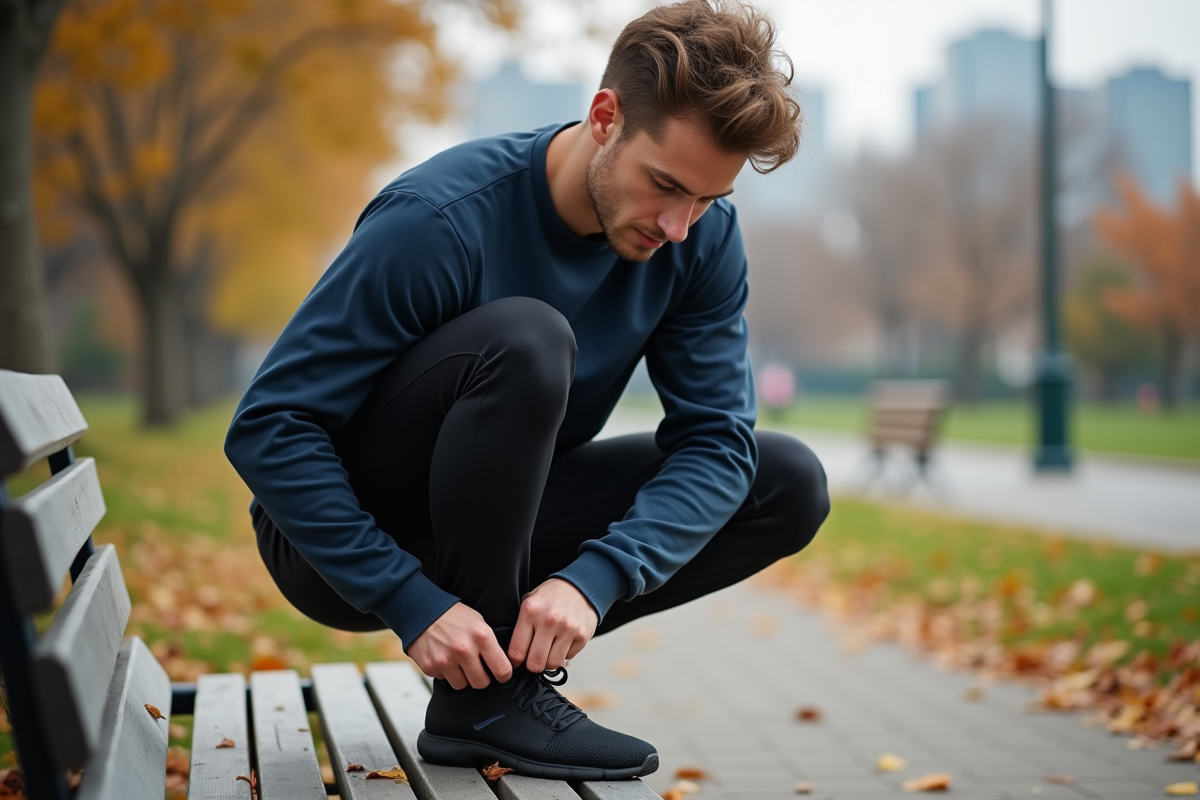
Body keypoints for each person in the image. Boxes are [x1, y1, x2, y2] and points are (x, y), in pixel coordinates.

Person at [224, 0, 829, 781]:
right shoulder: (438, 221)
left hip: (498, 524)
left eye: (708, 200)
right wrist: (408, 599)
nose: (679, 226)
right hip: (340, 542)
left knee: (784, 481)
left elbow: (716, 442)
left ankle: (492, 679)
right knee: (531, 338)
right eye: (666, 185)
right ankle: (484, 702)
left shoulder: (699, 241)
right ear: (605, 116)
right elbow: (271, 425)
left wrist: (598, 577)